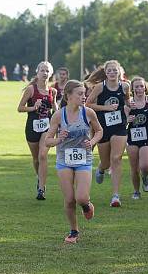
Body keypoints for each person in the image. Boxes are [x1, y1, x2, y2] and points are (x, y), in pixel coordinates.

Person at [44, 80, 103, 243]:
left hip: (84, 159)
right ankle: (74, 231)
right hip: (64, 160)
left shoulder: (88, 113)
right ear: (68, 96)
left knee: (82, 198)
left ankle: (86, 206)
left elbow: (99, 131)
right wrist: (58, 139)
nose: (84, 97)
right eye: (80, 94)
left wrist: (91, 142)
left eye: (84, 93)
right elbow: (47, 141)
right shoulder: (58, 115)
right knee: (69, 199)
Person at [86, 60, 130, 208]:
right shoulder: (100, 87)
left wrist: (131, 107)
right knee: (106, 162)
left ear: (119, 72)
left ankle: (115, 195)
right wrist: (105, 108)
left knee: (116, 158)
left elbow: (127, 102)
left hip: (120, 126)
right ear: (105, 73)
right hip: (103, 127)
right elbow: (88, 104)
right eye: (109, 70)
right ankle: (101, 168)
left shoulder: (125, 86)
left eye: (114, 70)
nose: (112, 73)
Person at [17, 61, 57, 200]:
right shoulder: (31, 90)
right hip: (32, 127)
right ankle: (39, 177)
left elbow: (55, 109)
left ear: (50, 74)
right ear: (37, 72)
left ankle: (41, 188)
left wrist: (59, 118)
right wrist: (33, 107)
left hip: (48, 126)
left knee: (43, 156)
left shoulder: (53, 91)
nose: (45, 73)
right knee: (36, 159)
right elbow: (20, 108)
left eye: (47, 71)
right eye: (42, 70)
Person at [126, 77, 148, 199]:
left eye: (141, 86)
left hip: (147, 138)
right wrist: (127, 120)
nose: (139, 89)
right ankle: (136, 191)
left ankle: (145, 177)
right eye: (136, 87)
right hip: (132, 139)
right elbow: (122, 123)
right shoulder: (129, 104)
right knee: (134, 168)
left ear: (145, 87)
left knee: (145, 166)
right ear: (132, 89)